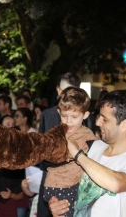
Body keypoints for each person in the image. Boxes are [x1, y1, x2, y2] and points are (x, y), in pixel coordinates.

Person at [49, 90, 126, 217]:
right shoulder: (94, 147)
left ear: (124, 124)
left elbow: (116, 184)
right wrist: (59, 207)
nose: (97, 123)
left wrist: (78, 155)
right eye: (99, 117)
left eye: (105, 119)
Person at [42, 87, 95, 217]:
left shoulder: (88, 135)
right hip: (58, 185)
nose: (69, 121)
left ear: (85, 115)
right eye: (64, 115)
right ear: (58, 112)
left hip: (78, 186)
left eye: (74, 116)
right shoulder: (55, 133)